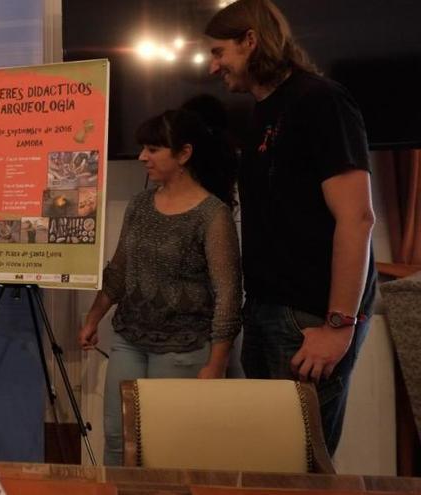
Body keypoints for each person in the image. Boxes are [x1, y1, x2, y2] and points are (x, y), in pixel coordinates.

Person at [205, 0, 376, 455]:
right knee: (269, 461)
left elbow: (357, 218)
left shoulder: (320, 100)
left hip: (311, 317)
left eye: (220, 52)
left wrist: (339, 326)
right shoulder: (264, 112)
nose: (212, 66)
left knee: (300, 466)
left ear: (251, 41)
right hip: (267, 310)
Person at [78, 109, 243, 466]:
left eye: (153, 149)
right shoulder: (139, 204)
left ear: (183, 154)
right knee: (117, 439)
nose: (142, 157)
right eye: (142, 148)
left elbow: (228, 296)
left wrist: (217, 364)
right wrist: (93, 318)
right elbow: (119, 269)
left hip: (184, 347)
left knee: (167, 449)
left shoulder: (212, 215)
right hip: (129, 339)